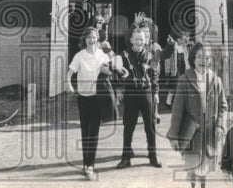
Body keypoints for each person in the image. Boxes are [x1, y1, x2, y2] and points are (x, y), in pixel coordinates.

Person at [165, 42, 227, 188]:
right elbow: (177, 110)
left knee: (206, 165)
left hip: (210, 132)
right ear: (193, 58)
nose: (203, 60)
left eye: (206, 57)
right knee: (192, 167)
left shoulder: (216, 80)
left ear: (210, 60)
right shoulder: (184, 80)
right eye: (200, 57)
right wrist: (174, 136)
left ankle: (202, 185)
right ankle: (191, 183)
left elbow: (223, 107)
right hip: (191, 132)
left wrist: (220, 126)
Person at [66, 26, 113, 179]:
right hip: (83, 98)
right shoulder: (79, 56)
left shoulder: (102, 55)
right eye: (89, 38)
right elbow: (69, 73)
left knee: (94, 132)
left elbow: (110, 71)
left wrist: (110, 68)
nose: (91, 40)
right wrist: (69, 84)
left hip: (97, 98)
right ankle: (86, 163)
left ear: (97, 39)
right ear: (84, 39)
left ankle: (90, 165)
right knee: (85, 132)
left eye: (94, 37)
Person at [115, 28, 162, 169]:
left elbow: (154, 75)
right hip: (131, 93)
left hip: (146, 93)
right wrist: (119, 87)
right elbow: (117, 74)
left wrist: (155, 92)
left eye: (142, 39)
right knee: (128, 126)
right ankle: (126, 157)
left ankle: (153, 156)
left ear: (145, 40)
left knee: (150, 126)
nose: (139, 42)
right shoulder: (124, 55)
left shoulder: (150, 55)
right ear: (131, 40)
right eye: (136, 39)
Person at [158, 31, 190, 109]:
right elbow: (167, 53)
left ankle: (173, 103)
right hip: (175, 69)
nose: (183, 41)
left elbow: (186, 58)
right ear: (178, 39)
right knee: (174, 87)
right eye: (182, 39)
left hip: (183, 68)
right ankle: (169, 102)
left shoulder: (184, 47)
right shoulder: (173, 46)